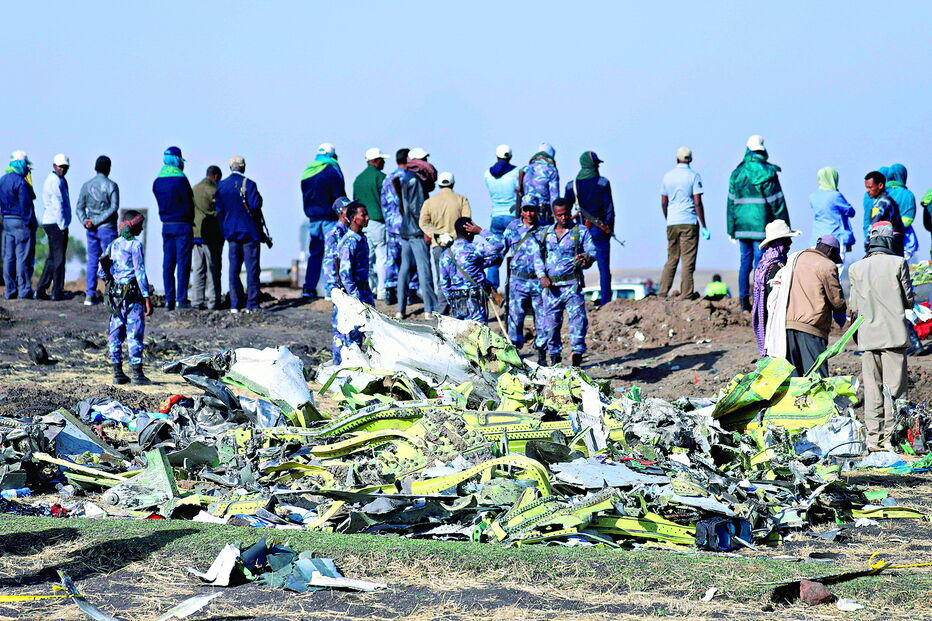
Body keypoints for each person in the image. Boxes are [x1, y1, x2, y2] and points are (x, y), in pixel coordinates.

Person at [848, 222, 914, 451]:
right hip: (893, 336)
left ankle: (872, 438)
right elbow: (908, 300)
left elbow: (853, 306)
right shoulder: (898, 263)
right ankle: (890, 438)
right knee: (894, 390)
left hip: (868, 338)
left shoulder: (856, 268)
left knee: (873, 389)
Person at [726, 135, 790, 312]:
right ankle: (760, 301)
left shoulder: (737, 173)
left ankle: (743, 302)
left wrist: (731, 229)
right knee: (760, 264)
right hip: (761, 226)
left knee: (744, 264)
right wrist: (785, 227)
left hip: (741, 227)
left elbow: (730, 203)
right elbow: (778, 203)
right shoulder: (768, 172)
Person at [535, 199, 597, 367]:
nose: (563, 217)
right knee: (551, 325)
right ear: (554, 215)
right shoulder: (545, 233)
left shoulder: (580, 231)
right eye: (559, 215)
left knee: (578, 323)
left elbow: (592, 251)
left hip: (572, 286)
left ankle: (577, 357)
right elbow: (538, 257)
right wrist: (542, 276)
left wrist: (586, 257)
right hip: (552, 289)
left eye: (566, 214)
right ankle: (554, 358)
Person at [99, 210, 153, 386]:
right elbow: (140, 272)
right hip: (132, 296)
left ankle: (117, 372)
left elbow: (102, 270)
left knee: (115, 334)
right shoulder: (135, 245)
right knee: (134, 333)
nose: (142, 228)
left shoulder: (114, 244)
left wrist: (111, 281)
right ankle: (137, 373)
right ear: (133, 225)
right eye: (140, 225)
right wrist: (146, 297)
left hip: (114, 297)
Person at [781, 235, 846, 377]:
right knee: (817, 377)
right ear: (830, 250)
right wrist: (842, 311)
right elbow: (837, 300)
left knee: (794, 377)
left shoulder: (796, 259)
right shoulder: (827, 265)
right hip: (811, 327)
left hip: (787, 325)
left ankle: (796, 400)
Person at [564, 151, 615, 307]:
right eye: (597, 163)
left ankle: (572, 299)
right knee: (604, 268)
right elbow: (609, 209)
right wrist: (609, 229)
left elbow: (565, 209)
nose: (598, 165)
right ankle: (606, 302)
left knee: (573, 266)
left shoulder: (571, 185)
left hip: (579, 231)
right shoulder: (602, 183)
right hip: (599, 230)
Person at [215, 156, 264, 313]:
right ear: (243, 167)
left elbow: (219, 212)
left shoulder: (221, 186)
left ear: (230, 167)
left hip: (232, 233)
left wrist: (225, 230)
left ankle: (235, 304)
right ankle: (252, 303)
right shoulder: (250, 184)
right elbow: (256, 205)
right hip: (250, 232)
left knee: (234, 269)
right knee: (252, 269)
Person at [659, 147, 708, 299]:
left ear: (676, 158)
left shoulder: (667, 176)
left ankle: (662, 291)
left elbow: (663, 201)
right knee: (688, 259)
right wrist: (704, 225)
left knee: (672, 258)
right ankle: (686, 293)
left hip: (672, 221)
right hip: (689, 221)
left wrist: (668, 218)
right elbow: (697, 201)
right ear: (690, 159)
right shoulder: (693, 176)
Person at [419, 171, 472, 313]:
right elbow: (466, 221)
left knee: (442, 279)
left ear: (438, 184)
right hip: (457, 245)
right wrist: (452, 235)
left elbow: (423, 222)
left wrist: (437, 234)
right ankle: (460, 311)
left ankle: (442, 311)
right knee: (459, 279)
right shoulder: (461, 200)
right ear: (453, 183)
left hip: (438, 245)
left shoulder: (429, 202)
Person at [503, 196, 547, 364]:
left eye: (532, 210)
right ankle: (515, 354)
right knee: (515, 317)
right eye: (526, 209)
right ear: (521, 210)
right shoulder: (512, 228)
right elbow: (500, 248)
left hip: (539, 281)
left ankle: (542, 355)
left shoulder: (544, 228)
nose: (529, 213)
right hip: (517, 281)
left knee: (542, 317)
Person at [393, 157, 437, 319]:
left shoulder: (405, 179)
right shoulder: (416, 181)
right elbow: (417, 208)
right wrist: (425, 229)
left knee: (404, 270)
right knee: (424, 269)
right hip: (417, 232)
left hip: (406, 230)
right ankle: (429, 309)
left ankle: (400, 308)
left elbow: (404, 206)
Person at [152, 146, 195, 310]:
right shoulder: (181, 180)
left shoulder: (157, 181)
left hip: (166, 226)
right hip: (183, 225)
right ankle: (181, 299)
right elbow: (189, 203)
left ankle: (169, 299)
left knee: (168, 263)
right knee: (183, 263)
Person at [333, 202, 376, 364]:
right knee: (351, 334)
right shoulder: (350, 241)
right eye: (363, 215)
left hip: (364, 291)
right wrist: (354, 296)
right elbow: (344, 273)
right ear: (353, 218)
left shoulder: (361, 238)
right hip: (353, 294)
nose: (367, 218)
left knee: (367, 331)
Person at [300, 143, 345, 298]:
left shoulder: (307, 172)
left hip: (313, 219)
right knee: (331, 253)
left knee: (315, 254)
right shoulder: (332, 170)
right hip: (329, 218)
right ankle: (330, 289)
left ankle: (309, 288)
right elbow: (339, 196)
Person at [438, 217, 503, 322]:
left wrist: (453, 302)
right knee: (478, 334)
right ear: (470, 232)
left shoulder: (445, 255)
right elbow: (499, 245)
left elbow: (444, 285)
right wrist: (480, 231)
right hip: (475, 302)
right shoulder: (472, 249)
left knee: (461, 335)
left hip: (457, 304)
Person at [752, 220, 801, 356]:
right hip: (776, 322)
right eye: (787, 240)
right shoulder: (776, 268)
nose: (790, 244)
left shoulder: (763, 265)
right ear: (778, 243)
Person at [76, 155, 120, 305]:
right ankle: (112, 293)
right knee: (110, 261)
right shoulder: (112, 186)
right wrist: (96, 221)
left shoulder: (86, 186)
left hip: (91, 229)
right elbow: (114, 208)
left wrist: (86, 221)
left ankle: (90, 294)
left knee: (92, 260)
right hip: (107, 228)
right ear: (109, 168)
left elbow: (79, 208)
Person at [483, 145, 521, 289]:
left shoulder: (487, 174)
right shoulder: (517, 172)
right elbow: (519, 191)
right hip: (512, 216)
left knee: (495, 253)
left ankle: (492, 289)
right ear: (510, 156)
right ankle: (517, 288)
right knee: (518, 254)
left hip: (496, 216)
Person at [0, 151, 37, 300]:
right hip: (21, 222)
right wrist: (30, 223)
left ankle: (9, 290)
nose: (27, 168)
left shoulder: (2, 180)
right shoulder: (21, 182)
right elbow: (25, 206)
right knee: (22, 257)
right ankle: (24, 290)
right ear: (21, 164)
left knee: (9, 256)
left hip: (7, 222)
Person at [353, 148, 388, 300]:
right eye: (382, 159)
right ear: (376, 160)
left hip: (362, 224)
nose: (384, 162)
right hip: (378, 221)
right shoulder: (381, 178)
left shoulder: (358, 179)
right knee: (382, 257)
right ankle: (382, 291)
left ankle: (369, 289)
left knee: (367, 258)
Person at [36, 154, 71, 300]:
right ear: (54, 166)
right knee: (59, 258)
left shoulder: (58, 180)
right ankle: (57, 291)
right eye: (60, 166)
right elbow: (58, 205)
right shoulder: (55, 181)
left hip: (52, 221)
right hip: (56, 223)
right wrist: (62, 226)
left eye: (64, 167)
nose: (62, 169)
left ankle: (41, 289)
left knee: (52, 258)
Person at [190, 165, 223, 310]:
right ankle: (213, 301)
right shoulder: (215, 191)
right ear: (216, 176)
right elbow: (220, 211)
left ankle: (196, 301)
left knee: (198, 269)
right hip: (212, 235)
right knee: (213, 269)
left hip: (196, 234)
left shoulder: (195, 188)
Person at [380, 148, 410, 303]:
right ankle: (410, 292)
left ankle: (390, 290)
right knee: (409, 259)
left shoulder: (387, 179)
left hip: (391, 225)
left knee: (392, 258)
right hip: (407, 226)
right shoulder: (409, 178)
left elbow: (383, 203)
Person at [809, 167, 855, 262]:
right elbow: (851, 212)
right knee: (836, 269)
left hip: (817, 239)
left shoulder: (813, 196)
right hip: (835, 238)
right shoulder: (835, 195)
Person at [864, 170, 904, 256]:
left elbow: (873, 225)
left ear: (880, 185)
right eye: (866, 187)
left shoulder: (882, 202)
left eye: (870, 187)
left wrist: (867, 243)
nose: (867, 191)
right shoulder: (887, 200)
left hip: (887, 245)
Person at [519, 142, 560, 225]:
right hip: (544, 213)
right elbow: (554, 197)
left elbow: (520, 192)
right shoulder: (551, 170)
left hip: (527, 213)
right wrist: (557, 220)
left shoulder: (525, 169)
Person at [885, 164, 918, 259]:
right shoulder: (908, 195)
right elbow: (909, 218)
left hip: (882, 236)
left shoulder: (882, 193)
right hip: (904, 237)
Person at [323, 197, 352, 302]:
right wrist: (335, 286)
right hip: (340, 286)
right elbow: (332, 260)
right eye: (349, 208)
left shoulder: (350, 230)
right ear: (341, 212)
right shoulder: (335, 233)